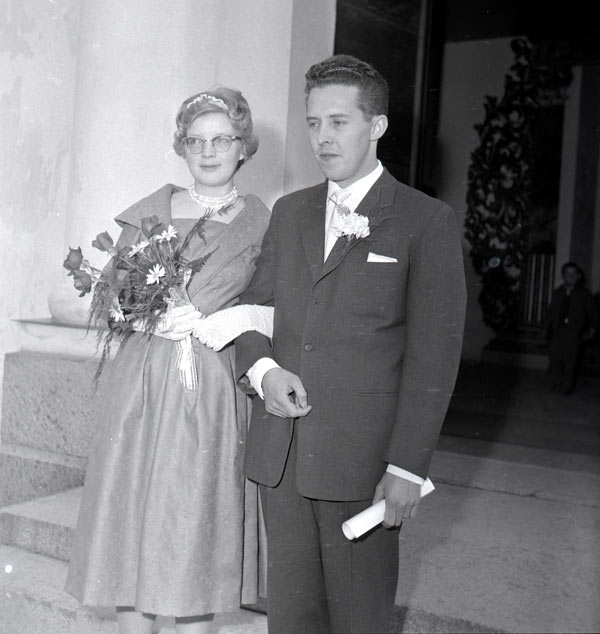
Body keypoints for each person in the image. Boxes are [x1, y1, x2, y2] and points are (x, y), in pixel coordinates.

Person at [234, 54, 467, 633]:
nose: (322, 138)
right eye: (314, 123)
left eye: (339, 122)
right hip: (284, 457)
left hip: (365, 466)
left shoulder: (426, 221)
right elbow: (253, 313)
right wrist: (263, 371)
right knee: (291, 621)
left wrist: (407, 467)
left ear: (377, 125)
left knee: (361, 621)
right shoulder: (290, 212)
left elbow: (434, 359)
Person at [65, 87, 270, 634]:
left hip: (210, 386)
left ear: (243, 146)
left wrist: (225, 320)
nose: (208, 151)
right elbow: (111, 295)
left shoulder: (262, 222)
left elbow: (276, 304)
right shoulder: (151, 212)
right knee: (130, 519)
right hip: (141, 383)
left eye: (221, 139)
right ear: (181, 147)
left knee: (191, 522)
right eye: (195, 141)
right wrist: (145, 315)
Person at [545, 261, 598, 394]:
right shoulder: (557, 293)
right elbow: (550, 312)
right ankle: (556, 381)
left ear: (578, 276)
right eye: (568, 274)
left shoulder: (585, 295)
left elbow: (593, 313)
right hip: (558, 331)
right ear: (563, 276)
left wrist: (592, 329)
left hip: (574, 333)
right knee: (555, 358)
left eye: (574, 274)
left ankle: (567, 386)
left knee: (570, 361)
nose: (571, 276)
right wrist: (545, 327)